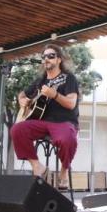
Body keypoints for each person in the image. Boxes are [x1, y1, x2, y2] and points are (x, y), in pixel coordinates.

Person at [11, 44, 79, 189]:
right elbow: (22, 94)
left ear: (59, 59)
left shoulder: (68, 78)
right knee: (17, 129)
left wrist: (55, 95)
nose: (46, 59)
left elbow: (71, 103)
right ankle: (37, 166)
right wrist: (22, 100)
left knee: (67, 138)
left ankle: (64, 170)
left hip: (63, 122)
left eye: (51, 56)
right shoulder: (40, 81)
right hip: (41, 123)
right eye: (44, 56)